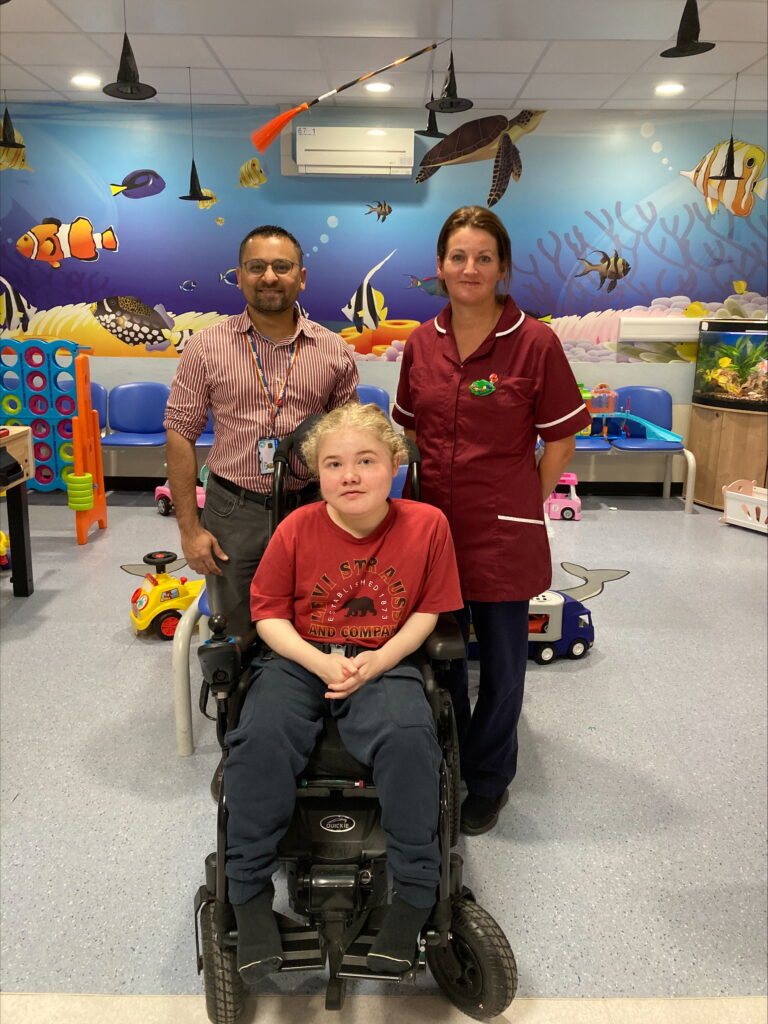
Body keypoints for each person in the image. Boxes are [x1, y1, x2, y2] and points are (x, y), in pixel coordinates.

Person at [224, 402, 463, 982]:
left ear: (395, 464)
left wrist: (378, 660)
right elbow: (269, 617)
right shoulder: (296, 528)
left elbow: (429, 609)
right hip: (300, 657)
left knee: (411, 740)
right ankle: (248, 893)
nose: (350, 475)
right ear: (317, 473)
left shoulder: (427, 524)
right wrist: (320, 661)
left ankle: (413, 893)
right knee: (257, 740)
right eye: (334, 464)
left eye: (365, 460)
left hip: (384, 658)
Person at [392, 205, 591, 837]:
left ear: (503, 267)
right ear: (440, 267)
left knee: (504, 666)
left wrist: (523, 499)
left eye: (484, 257)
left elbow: (559, 443)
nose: (470, 268)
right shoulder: (422, 342)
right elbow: (411, 434)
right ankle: (442, 760)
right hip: (433, 529)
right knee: (440, 654)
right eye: (458, 256)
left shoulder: (536, 342)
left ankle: (487, 780)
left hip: (504, 529)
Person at [163, 225, 359, 638]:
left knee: (314, 618)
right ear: (240, 276)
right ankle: (235, 698)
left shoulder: (333, 349)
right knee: (236, 627)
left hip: (311, 505)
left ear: (301, 277)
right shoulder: (206, 346)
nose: (269, 277)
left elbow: (350, 436)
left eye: (282, 266)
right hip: (233, 510)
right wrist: (189, 529)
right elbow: (180, 431)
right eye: (257, 267)